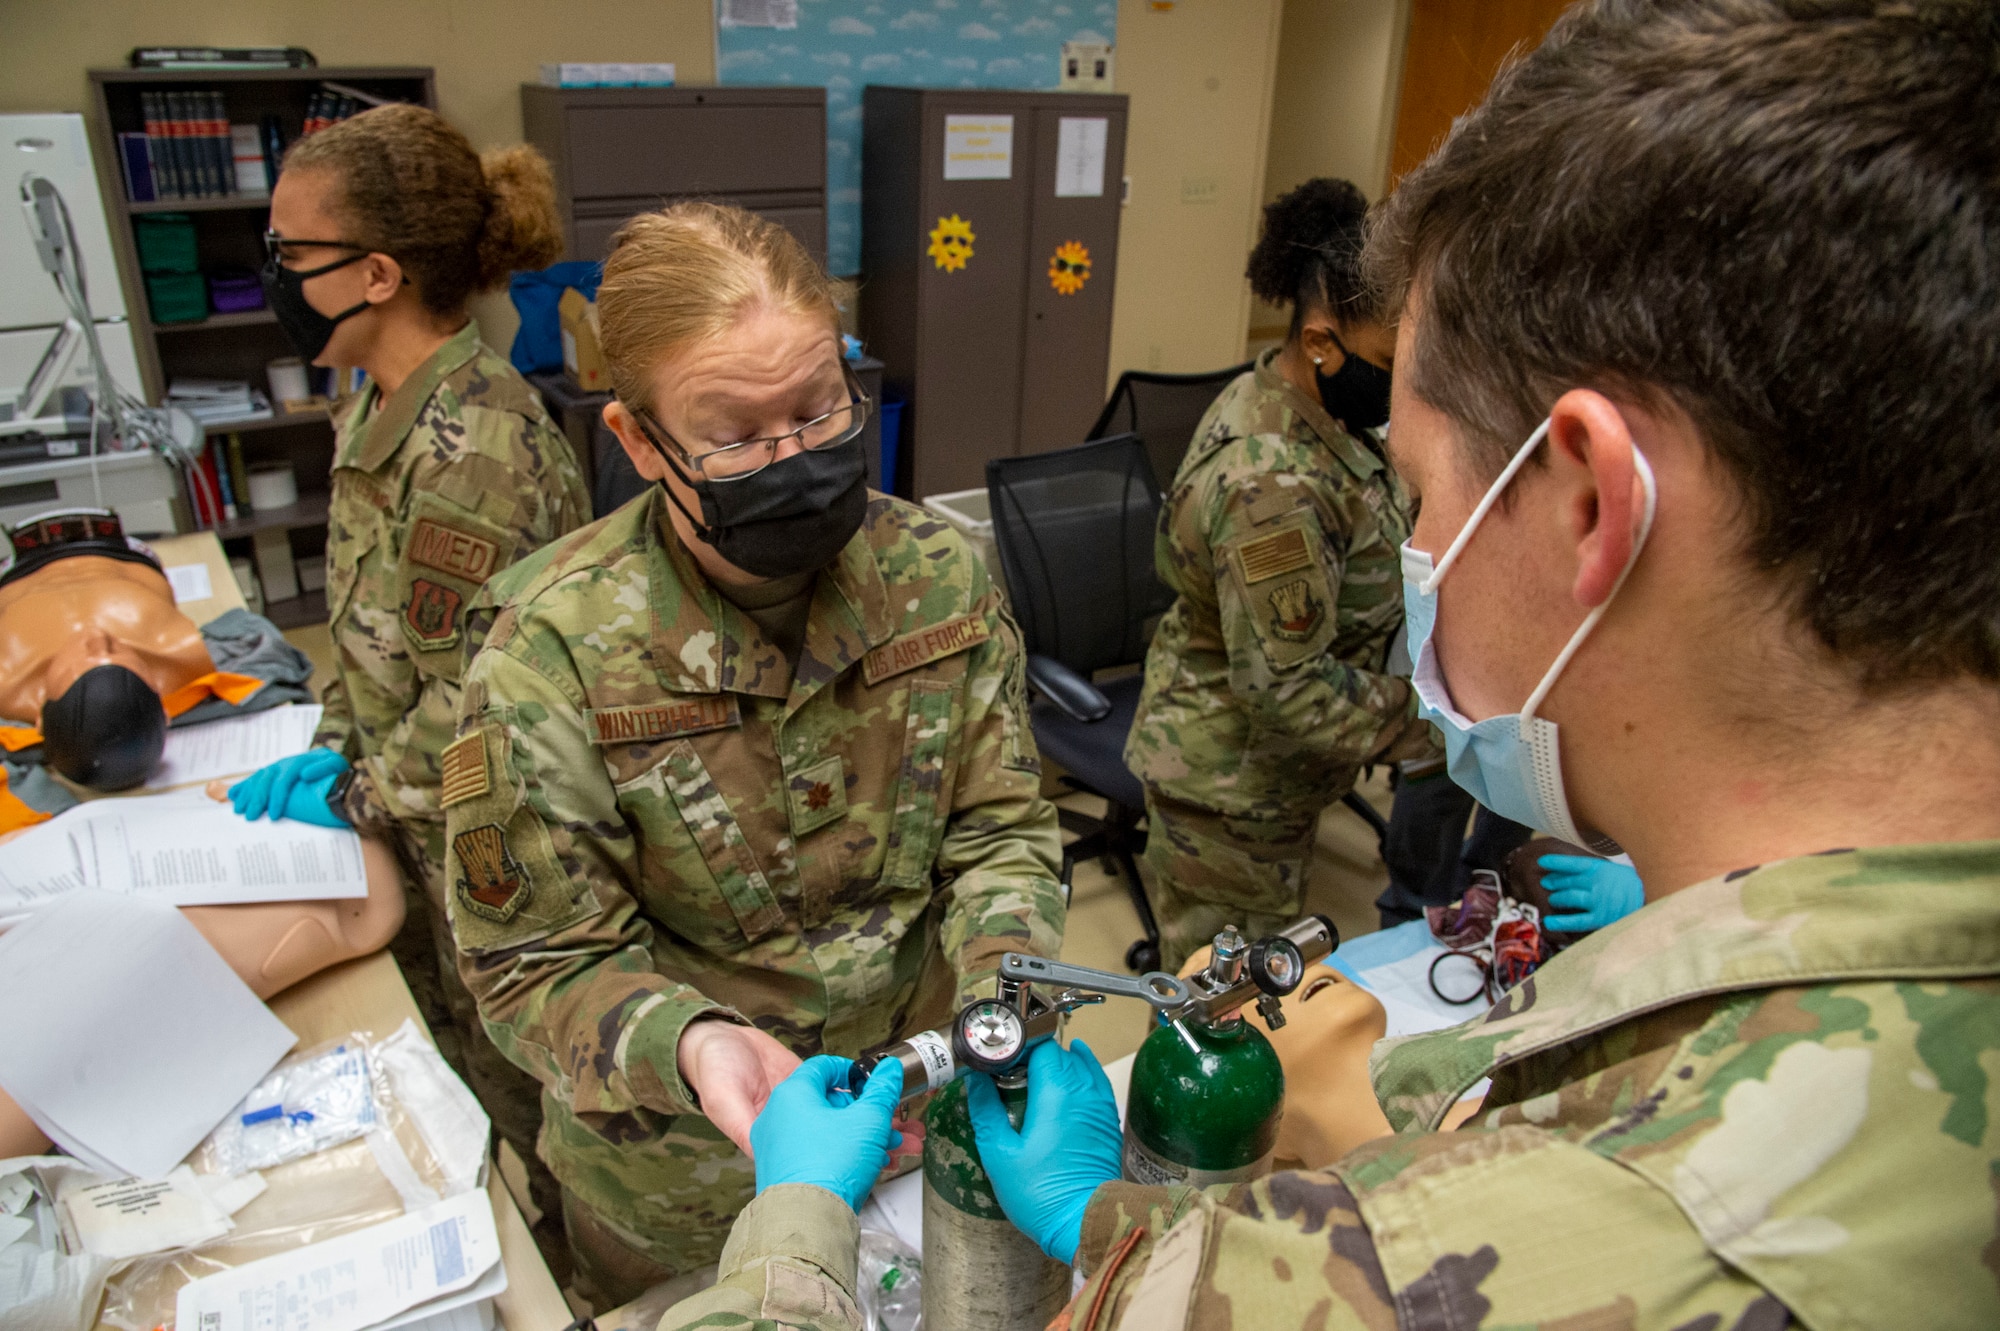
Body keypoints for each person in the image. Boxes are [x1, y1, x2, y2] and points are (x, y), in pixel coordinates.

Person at [651, 1, 2000, 1325]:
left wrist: (821, 1232)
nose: (1416, 540)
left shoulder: (1504, 1250)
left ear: (1588, 499)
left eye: (1422, 492)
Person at [441, 201, 1065, 1306]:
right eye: (734, 432)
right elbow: (536, 967)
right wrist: (690, 1044)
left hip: (924, 1130)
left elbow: (999, 830)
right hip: (684, 1192)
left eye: (821, 408)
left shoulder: (936, 572)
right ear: (636, 439)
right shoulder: (551, 647)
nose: (793, 459)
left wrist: (1003, 993)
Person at [226, 104, 590, 1261]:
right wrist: (336, 742)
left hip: (499, 874)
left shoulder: (478, 449)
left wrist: (355, 790)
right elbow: (374, 636)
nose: (273, 274)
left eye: (291, 252)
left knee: (527, 1112)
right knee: (447, 1087)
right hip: (417, 844)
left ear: (377, 272)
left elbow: (490, 719)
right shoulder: (376, 408)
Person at [1124, 178, 1438, 969]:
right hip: (1231, 791)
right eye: (1387, 363)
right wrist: (1437, 726)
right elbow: (1288, 687)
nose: (1399, 384)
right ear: (1322, 342)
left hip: (1272, 777)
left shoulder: (1308, 402)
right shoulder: (1273, 488)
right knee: (1218, 1009)